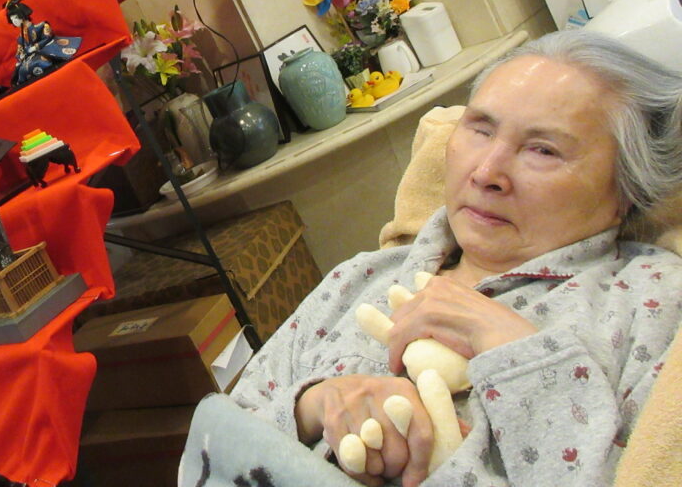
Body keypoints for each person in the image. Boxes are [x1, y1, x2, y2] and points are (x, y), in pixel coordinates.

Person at [181, 31, 682, 487]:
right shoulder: (358, 279)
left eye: (543, 150)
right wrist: (313, 405)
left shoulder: (651, 300)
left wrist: (518, 353)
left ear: (626, 190)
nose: (486, 172)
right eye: (480, 129)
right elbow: (209, 450)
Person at [6, 0, 81, 86]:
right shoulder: (20, 38)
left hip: (42, 51)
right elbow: (19, 51)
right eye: (12, 19)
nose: (14, 21)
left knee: (40, 62)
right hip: (30, 56)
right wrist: (21, 56)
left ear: (22, 15)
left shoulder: (41, 26)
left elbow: (48, 37)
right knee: (22, 69)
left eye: (15, 17)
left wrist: (35, 47)